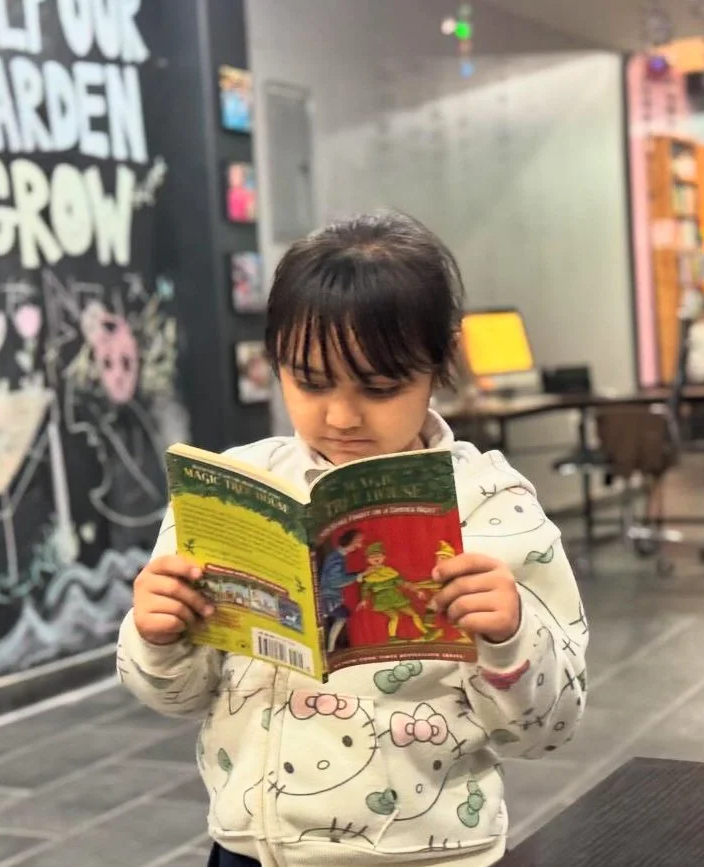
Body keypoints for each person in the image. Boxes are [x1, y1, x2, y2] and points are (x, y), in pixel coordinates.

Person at [118, 211, 588, 867]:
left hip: (424, 856)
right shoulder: (234, 491)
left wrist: (510, 636)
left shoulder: (491, 507)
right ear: (274, 356)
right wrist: (155, 634)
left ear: (442, 360)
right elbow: (180, 695)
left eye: (378, 386)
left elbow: (550, 725)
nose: (339, 415)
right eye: (308, 381)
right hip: (249, 849)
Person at [318, 528, 363, 652]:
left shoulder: (339, 556)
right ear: (350, 541)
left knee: (341, 616)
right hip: (329, 596)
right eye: (358, 541)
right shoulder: (336, 558)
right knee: (341, 615)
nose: (359, 545)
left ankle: (329, 647)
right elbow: (335, 581)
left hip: (330, 596)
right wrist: (357, 576)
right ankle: (329, 648)